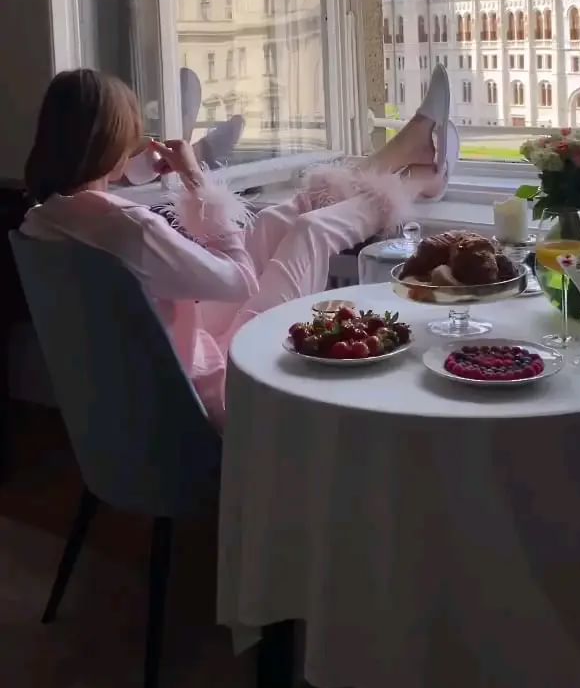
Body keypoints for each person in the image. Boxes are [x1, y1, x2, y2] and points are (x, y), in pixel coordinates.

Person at [21, 67, 456, 426]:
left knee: (272, 220)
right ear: (115, 146)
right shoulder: (131, 227)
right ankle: (419, 178)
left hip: (159, 376)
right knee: (311, 230)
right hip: (221, 387)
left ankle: (403, 159)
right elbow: (240, 279)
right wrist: (194, 178)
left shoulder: (42, 220)